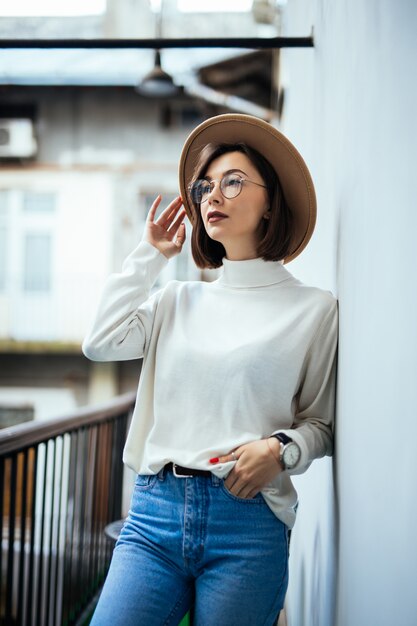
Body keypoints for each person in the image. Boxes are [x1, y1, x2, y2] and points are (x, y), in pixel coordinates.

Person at [82, 113, 338, 626]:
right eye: (205, 187)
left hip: (247, 522)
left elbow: (322, 424)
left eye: (233, 182)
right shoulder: (176, 300)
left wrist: (281, 450)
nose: (212, 196)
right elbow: (100, 342)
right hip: (153, 517)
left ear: (270, 204)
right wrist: (149, 257)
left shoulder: (314, 309)